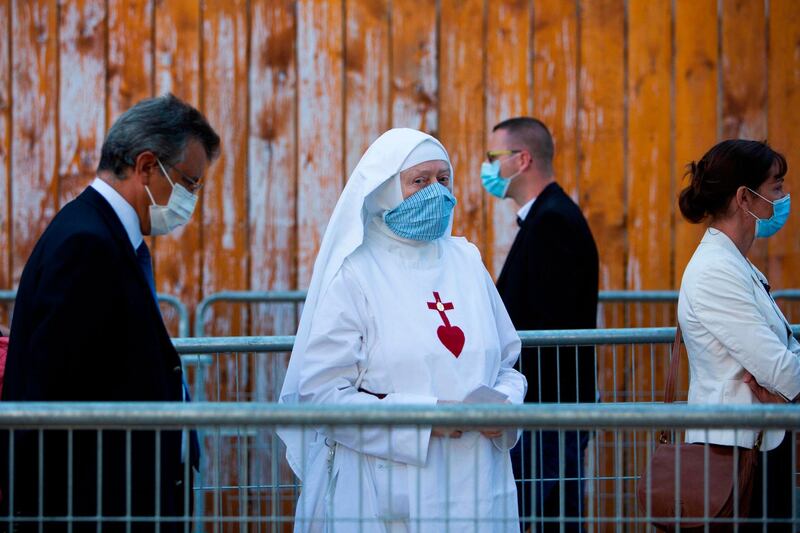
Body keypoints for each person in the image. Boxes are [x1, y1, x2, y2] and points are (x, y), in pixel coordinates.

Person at [278, 128, 527, 533]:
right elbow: (322, 395)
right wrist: (426, 418)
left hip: (479, 483)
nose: (437, 192)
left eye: (443, 180)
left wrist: (504, 406)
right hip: (389, 491)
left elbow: (507, 366)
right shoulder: (355, 273)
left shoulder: (466, 260)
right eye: (420, 181)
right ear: (385, 190)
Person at [0, 94, 220, 532]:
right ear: (145, 167)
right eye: (189, 183)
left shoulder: (103, 235)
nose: (191, 199)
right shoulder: (86, 245)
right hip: (94, 508)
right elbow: (53, 398)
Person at [481, 117, 598, 532]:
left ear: (522, 159)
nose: (487, 167)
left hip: (547, 408)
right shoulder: (544, 217)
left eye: (493, 157)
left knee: (545, 518)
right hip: (545, 407)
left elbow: (551, 322)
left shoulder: (552, 222)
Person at [677, 139, 800, 530]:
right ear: (744, 198)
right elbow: (776, 366)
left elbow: (785, 346)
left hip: (760, 443)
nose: (783, 198)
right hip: (733, 456)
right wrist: (783, 385)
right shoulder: (716, 269)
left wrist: (784, 385)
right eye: (776, 187)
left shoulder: (736, 263)